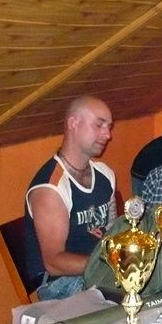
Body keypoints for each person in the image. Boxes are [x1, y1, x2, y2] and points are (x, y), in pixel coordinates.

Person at [25, 95, 117, 300]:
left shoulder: (105, 174)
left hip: (98, 269)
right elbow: (54, 263)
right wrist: (111, 263)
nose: (107, 135)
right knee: (133, 297)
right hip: (60, 284)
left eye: (109, 127)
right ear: (73, 123)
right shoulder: (51, 188)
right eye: (99, 125)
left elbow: (112, 231)